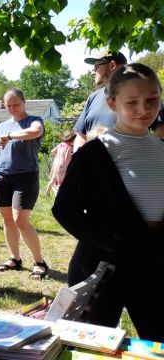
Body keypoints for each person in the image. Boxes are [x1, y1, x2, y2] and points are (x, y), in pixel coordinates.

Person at [52, 63, 164, 342]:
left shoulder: (161, 149)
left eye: (152, 100)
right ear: (113, 103)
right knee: (91, 344)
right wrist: (114, 241)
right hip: (102, 268)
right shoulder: (94, 154)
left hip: (152, 264)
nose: (144, 109)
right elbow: (65, 209)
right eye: (132, 102)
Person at [0, 89, 48, 279]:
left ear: (24, 102)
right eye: (8, 105)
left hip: (25, 176)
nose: (12, 108)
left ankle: (39, 261)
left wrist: (12, 136)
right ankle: (15, 258)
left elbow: (36, 131)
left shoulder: (34, 120)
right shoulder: (2, 125)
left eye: (16, 104)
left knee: (20, 219)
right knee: (7, 220)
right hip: (1, 176)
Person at [74, 51, 128, 151]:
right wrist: (78, 160)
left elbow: (160, 133)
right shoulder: (93, 97)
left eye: (96, 67)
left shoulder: (140, 96)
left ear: (112, 65)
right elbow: (81, 136)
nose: (92, 72)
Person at [45, 130, 75, 196]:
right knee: (61, 182)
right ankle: (57, 195)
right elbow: (67, 158)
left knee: (53, 179)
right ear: (72, 140)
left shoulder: (61, 144)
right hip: (62, 166)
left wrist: (58, 156)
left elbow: (52, 152)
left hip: (56, 164)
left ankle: (47, 193)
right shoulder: (69, 147)